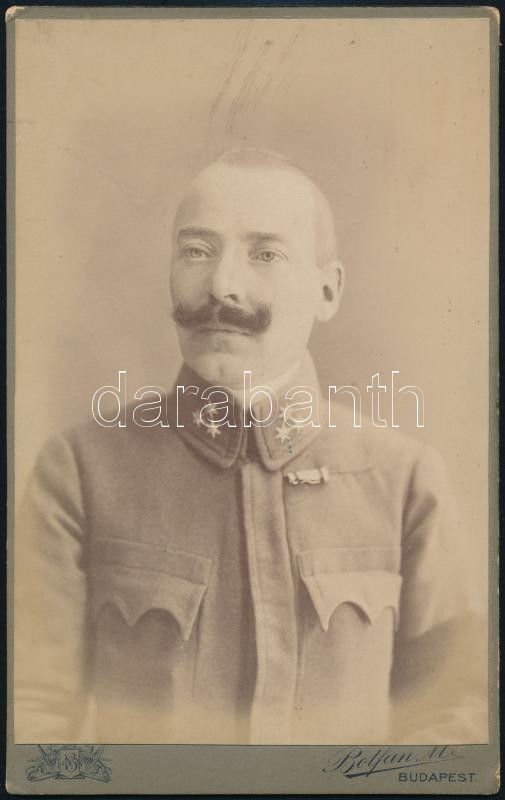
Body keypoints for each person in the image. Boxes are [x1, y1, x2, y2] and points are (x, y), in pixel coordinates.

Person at [14, 148, 486, 745]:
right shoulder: (80, 472)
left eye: (265, 254)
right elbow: (29, 720)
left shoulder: (403, 481)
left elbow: (458, 716)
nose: (221, 285)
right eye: (197, 251)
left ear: (328, 290)